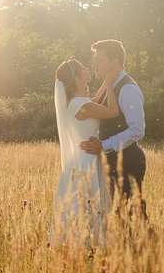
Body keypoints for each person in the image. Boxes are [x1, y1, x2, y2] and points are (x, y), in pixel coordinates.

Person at [51, 57, 121, 247]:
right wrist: (109, 83)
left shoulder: (79, 101)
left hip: (87, 156)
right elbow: (112, 111)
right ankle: (87, 244)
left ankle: (90, 243)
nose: (87, 68)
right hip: (86, 159)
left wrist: (107, 81)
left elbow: (96, 100)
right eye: (82, 67)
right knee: (88, 202)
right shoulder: (77, 103)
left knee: (89, 203)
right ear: (76, 78)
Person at [79, 39, 148, 228]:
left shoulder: (128, 89)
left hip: (128, 161)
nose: (94, 64)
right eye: (94, 60)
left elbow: (136, 130)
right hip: (112, 161)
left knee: (134, 219)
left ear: (115, 63)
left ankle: (149, 253)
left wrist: (104, 145)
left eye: (99, 60)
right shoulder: (109, 85)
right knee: (120, 219)